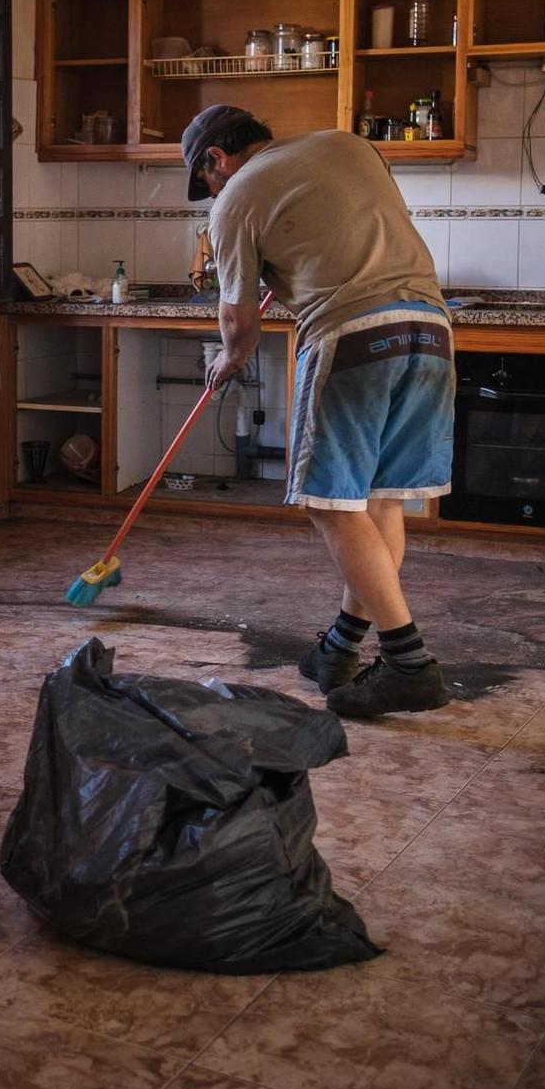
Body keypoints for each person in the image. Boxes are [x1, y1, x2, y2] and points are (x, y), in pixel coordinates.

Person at [185, 105, 454, 718]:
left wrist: (228, 361)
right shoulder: (348, 145)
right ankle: (339, 648)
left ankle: (410, 665)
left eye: (205, 181)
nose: (212, 192)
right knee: (379, 499)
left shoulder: (233, 201)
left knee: (329, 503)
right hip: (430, 328)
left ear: (215, 160)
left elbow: (238, 318)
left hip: (353, 334)